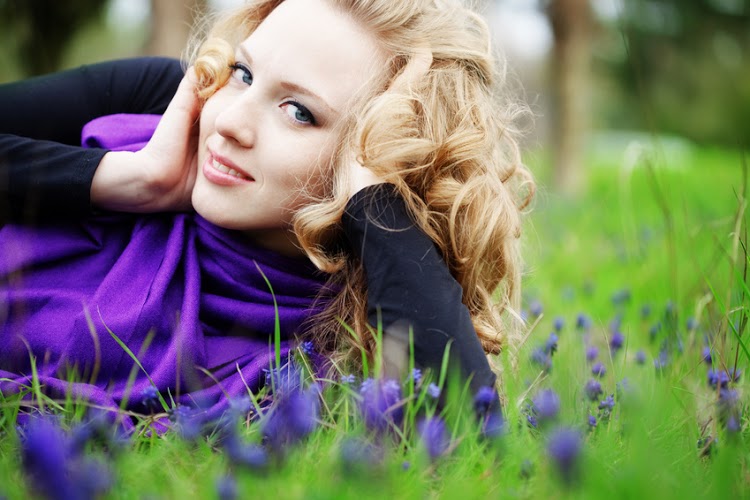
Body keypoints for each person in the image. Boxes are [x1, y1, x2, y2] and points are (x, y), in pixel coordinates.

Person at [0, 0, 533, 428]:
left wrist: (373, 205)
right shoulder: (158, 101)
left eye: (299, 112)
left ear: (377, 159)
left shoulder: (333, 346)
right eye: (244, 73)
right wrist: (126, 179)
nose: (230, 120)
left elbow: (466, 433)